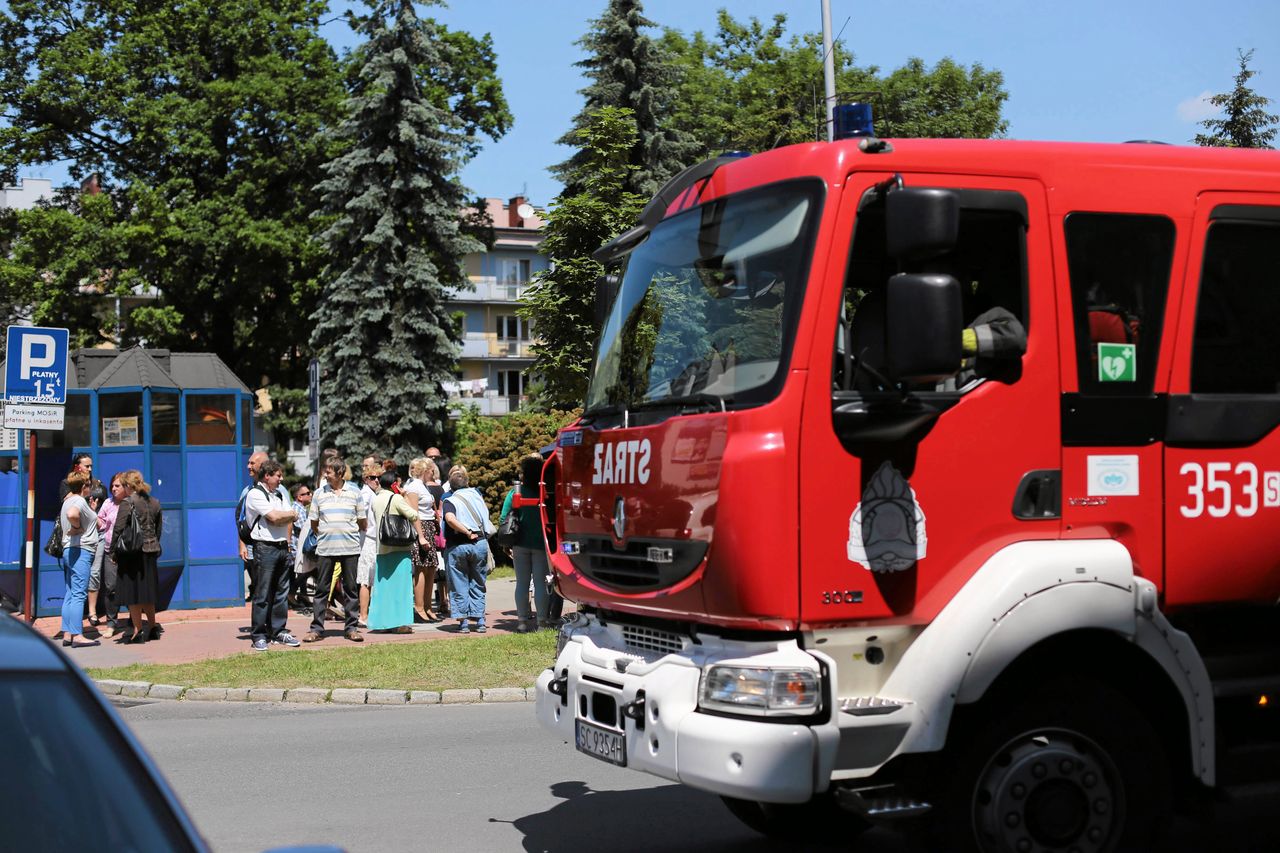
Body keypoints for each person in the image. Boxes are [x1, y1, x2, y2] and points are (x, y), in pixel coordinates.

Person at [305, 458, 365, 643]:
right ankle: (316, 629)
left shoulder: (355, 493)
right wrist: (327, 533)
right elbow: (314, 522)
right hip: (326, 548)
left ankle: (351, 628)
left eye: (329, 471)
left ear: (340, 473)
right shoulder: (318, 494)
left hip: (350, 548)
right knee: (321, 589)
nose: (325, 474)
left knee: (351, 590)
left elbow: (362, 521)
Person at [245, 460, 300, 651]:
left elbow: (292, 516)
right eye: (278, 475)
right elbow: (275, 518)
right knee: (263, 593)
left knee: (281, 592)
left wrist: (286, 515)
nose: (281, 479)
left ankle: (279, 631)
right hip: (265, 548)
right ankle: (259, 634)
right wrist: (287, 515)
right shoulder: (255, 494)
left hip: (282, 547)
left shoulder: (278, 494)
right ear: (267, 476)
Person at [367, 471, 424, 633]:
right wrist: (404, 496)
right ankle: (400, 624)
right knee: (401, 589)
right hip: (399, 549)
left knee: (383, 589)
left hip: (382, 548)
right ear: (394, 484)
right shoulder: (397, 498)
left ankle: (382, 623)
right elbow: (413, 514)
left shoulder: (376, 499)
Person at [501, 453, 551, 632]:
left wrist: (507, 544)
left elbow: (503, 518)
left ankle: (522, 621)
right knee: (540, 583)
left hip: (519, 543)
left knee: (522, 583)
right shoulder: (546, 491)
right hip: (540, 543)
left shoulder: (516, 492)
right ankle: (542, 622)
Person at [113, 470, 163, 644]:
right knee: (147, 592)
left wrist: (113, 551)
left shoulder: (127, 503)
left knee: (133, 594)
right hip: (150, 552)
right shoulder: (155, 502)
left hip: (132, 554)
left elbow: (118, 529)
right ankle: (153, 627)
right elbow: (158, 530)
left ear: (128, 486)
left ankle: (138, 630)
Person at [441, 465, 492, 634]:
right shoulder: (477, 496)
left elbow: (449, 518)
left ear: (450, 486)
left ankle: (463, 623)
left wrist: (465, 531)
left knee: (458, 583)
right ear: (467, 482)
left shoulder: (450, 500)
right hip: (480, 544)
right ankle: (480, 621)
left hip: (458, 545)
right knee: (478, 582)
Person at [57, 471, 100, 648]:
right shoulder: (78, 501)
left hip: (70, 549)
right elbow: (73, 515)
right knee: (79, 593)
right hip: (81, 550)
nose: (91, 488)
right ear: (83, 487)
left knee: (70, 592)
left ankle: (67, 632)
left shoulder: (67, 501)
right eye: (89, 485)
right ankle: (77, 634)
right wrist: (77, 527)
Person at [404, 457, 440, 623]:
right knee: (421, 568)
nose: (433, 472)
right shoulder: (413, 487)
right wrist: (421, 536)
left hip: (429, 527)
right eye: (431, 470)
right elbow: (414, 513)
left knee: (431, 567)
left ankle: (428, 606)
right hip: (421, 528)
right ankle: (419, 607)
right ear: (425, 471)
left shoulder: (423, 486)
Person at [237, 451, 268, 602]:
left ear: (262, 466)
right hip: (253, 548)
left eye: (252, 463)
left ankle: (274, 623)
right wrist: (242, 545)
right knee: (258, 586)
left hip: (272, 546)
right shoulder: (246, 491)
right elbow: (241, 521)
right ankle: (259, 623)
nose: (248, 466)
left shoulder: (279, 490)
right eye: (248, 463)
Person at [96, 474, 125, 637]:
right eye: (113, 485)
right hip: (110, 552)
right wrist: (94, 515)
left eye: (117, 486)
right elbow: (101, 523)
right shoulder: (108, 503)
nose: (113, 489)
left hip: (128, 552)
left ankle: (134, 621)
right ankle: (111, 623)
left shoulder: (130, 503)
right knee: (111, 587)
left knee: (131, 586)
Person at [355, 455, 382, 627]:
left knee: (372, 578)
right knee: (366, 578)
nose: (376, 480)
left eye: (378, 477)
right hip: (368, 540)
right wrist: (363, 526)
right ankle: (363, 615)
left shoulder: (373, 492)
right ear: (365, 479)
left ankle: (368, 613)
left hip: (374, 539)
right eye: (372, 478)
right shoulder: (365, 494)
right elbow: (360, 514)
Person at [85, 479, 109, 629]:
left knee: (95, 572)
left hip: (100, 536)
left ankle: (92, 611)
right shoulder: (79, 496)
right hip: (83, 538)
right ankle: (81, 610)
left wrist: (94, 513)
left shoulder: (104, 499)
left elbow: (103, 524)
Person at [288, 483, 315, 612]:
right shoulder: (297, 510)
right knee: (308, 570)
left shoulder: (301, 509)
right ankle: (292, 594)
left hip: (298, 547)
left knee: (306, 570)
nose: (311, 495)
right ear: (299, 497)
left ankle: (302, 596)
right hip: (298, 547)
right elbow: (305, 529)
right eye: (307, 493)